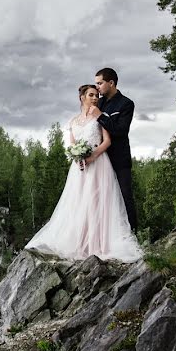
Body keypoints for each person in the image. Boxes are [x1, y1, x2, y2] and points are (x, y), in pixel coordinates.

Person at [25, 84, 142, 262]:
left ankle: (100, 245)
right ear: (82, 97)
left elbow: (107, 141)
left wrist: (92, 156)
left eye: (96, 95)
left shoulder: (99, 118)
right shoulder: (73, 121)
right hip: (79, 167)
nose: (95, 98)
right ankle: (81, 244)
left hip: (99, 163)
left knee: (98, 202)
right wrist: (77, 157)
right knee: (79, 202)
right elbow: (72, 144)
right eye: (91, 95)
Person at [95, 67, 138, 232]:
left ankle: (133, 234)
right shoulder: (98, 102)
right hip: (100, 160)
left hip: (119, 160)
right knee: (102, 199)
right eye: (96, 83)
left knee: (125, 197)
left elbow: (120, 130)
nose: (97, 87)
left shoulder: (126, 104)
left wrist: (100, 116)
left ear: (111, 83)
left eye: (100, 83)